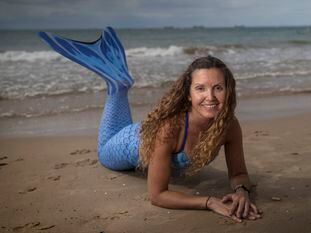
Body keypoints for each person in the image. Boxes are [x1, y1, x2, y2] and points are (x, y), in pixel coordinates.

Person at [38, 27, 261, 222]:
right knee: (104, 149)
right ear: (188, 94)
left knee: (125, 113)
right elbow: (157, 195)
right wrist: (209, 201)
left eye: (218, 88)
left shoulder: (228, 125)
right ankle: (117, 86)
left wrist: (242, 191)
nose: (210, 97)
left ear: (228, 90)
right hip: (124, 144)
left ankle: (118, 81)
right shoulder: (170, 129)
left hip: (144, 132)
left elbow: (239, 173)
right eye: (200, 88)